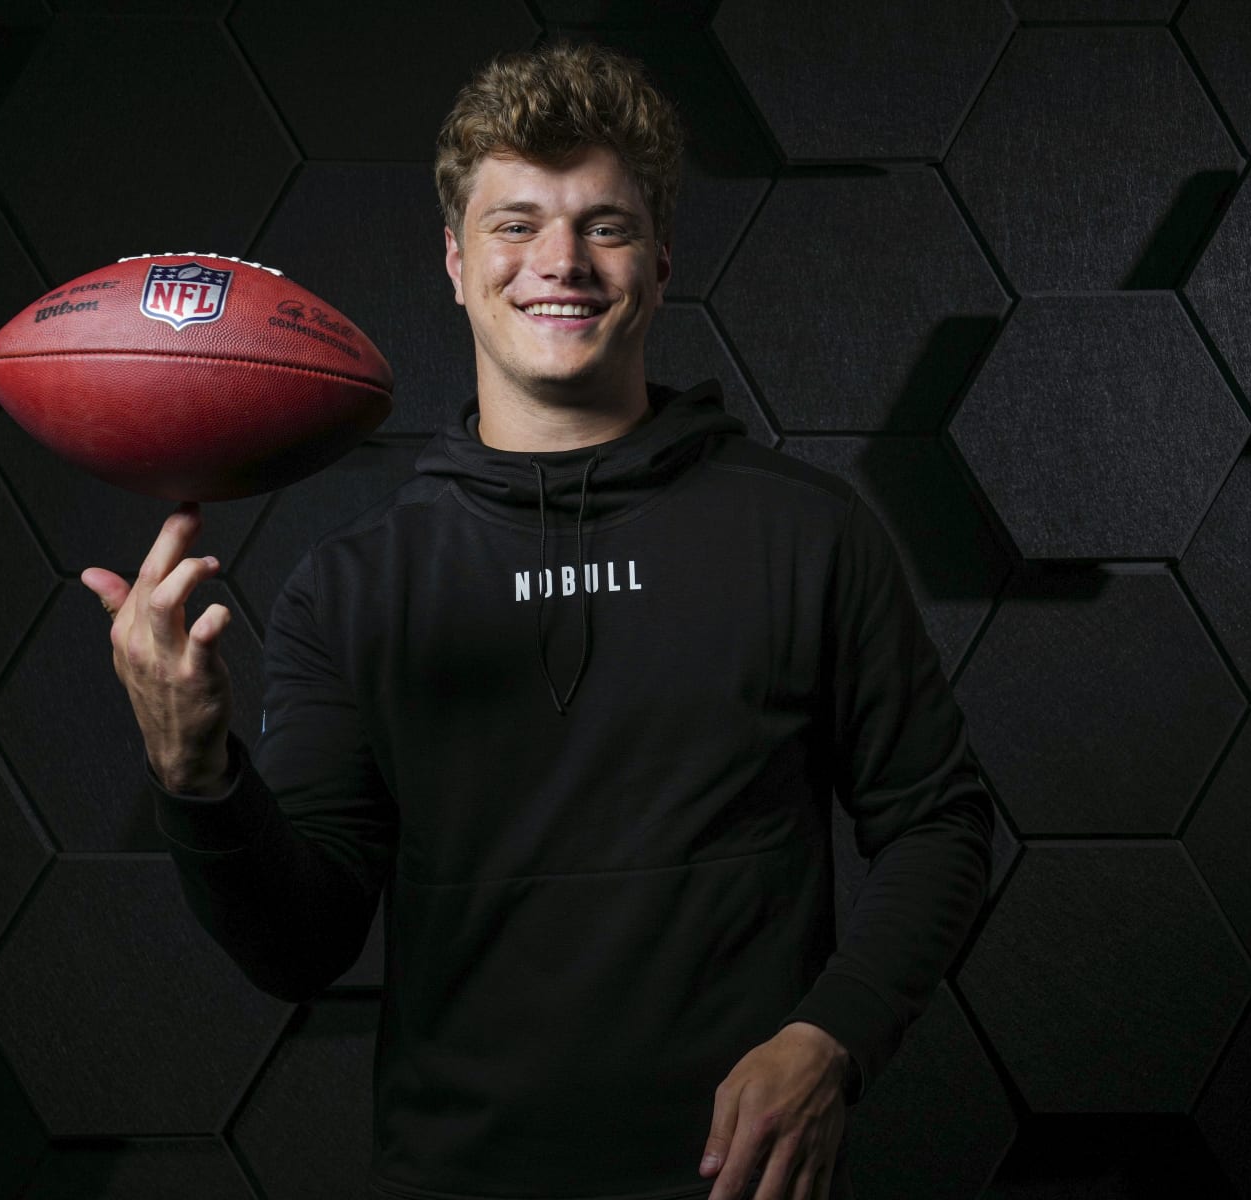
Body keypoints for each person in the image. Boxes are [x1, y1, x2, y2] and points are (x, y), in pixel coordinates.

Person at [82, 41, 993, 1200]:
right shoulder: (354, 587)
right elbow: (300, 944)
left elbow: (942, 824)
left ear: (661, 263)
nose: (560, 260)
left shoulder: (807, 532)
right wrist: (193, 769)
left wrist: (832, 1043)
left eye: (603, 225)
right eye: (516, 224)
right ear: (455, 265)